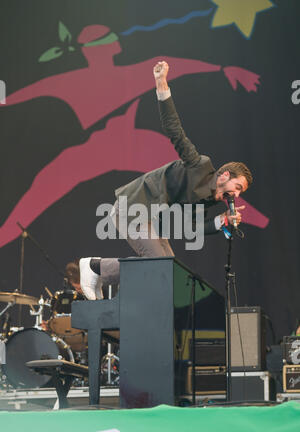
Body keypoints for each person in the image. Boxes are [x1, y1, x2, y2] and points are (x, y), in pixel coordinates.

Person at [80, 61, 253, 300]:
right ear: (224, 176)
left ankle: (109, 281)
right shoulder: (199, 165)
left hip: (149, 217)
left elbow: (191, 228)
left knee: (170, 272)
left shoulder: (207, 200)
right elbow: (175, 130)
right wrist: (161, 84)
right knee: (158, 265)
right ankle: (94, 267)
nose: (236, 195)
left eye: (240, 191)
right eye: (237, 187)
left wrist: (221, 221)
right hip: (133, 205)